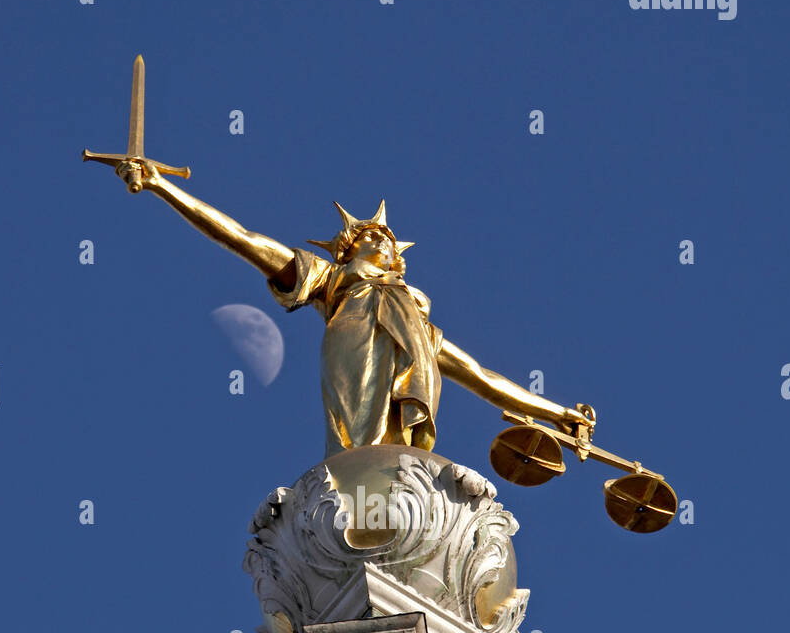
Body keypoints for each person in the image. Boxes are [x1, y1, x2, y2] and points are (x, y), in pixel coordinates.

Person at [116, 159, 592, 456]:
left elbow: (485, 379)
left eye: (387, 241)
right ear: (346, 248)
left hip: (404, 358)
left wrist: (556, 414)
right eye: (371, 237)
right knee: (353, 452)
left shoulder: (419, 327)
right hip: (349, 352)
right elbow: (241, 238)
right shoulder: (329, 281)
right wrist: (163, 186)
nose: (383, 244)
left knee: (396, 457)